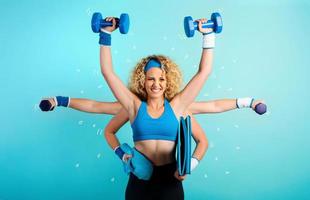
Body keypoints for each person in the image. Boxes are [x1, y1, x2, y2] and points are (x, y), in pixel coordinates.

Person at [98, 16, 215, 199]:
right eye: (151, 78)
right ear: (142, 81)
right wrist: (105, 33)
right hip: (140, 181)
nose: (156, 84)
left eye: (161, 79)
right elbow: (107, 72)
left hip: (171, 179)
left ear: (168, 82)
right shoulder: (134, 106)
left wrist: (208, 35)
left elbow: (204, 72)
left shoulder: (177, 106)